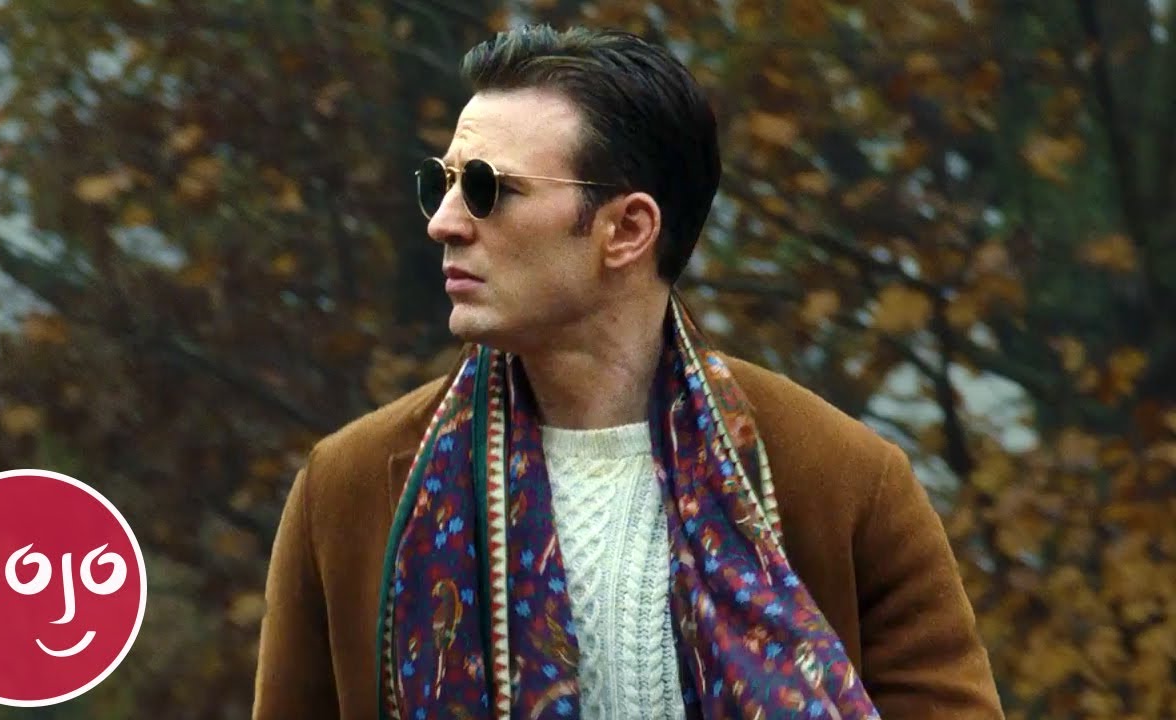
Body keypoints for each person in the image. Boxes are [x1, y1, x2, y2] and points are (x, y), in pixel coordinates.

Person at [253, 24, 1004, 720]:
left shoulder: (843, 483)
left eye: (487, 189)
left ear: (628, 230)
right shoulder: (348, 489)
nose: (443, 221)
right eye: (439, 183)